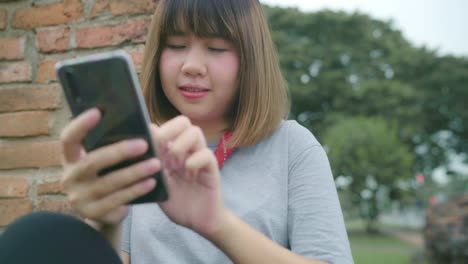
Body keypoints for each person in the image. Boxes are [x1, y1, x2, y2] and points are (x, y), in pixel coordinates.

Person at [0, 0, 353, 263]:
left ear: (250, 60)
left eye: (216, 48)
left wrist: (215, 223)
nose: (192, 66)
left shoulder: (293, 147)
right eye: (177, 46)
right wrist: (104, 222)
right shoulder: (142, 147)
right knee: (34, 235)